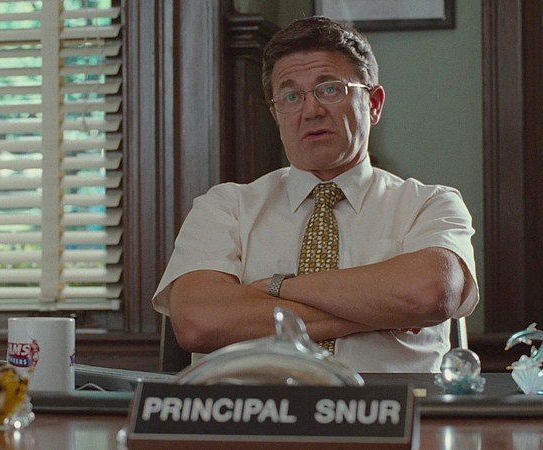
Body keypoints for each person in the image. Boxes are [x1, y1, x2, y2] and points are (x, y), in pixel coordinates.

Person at [152, 16, 479, 372]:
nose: (311, 111)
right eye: (291, 96)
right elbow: (199, 322)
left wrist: (275, 287)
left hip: (388, 403)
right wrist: (379, 310)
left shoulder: (429, 204)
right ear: (276, 114)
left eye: (330, 89)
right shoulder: (225, 207)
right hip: (253, 404)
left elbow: (429, 293)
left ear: (374, 103)